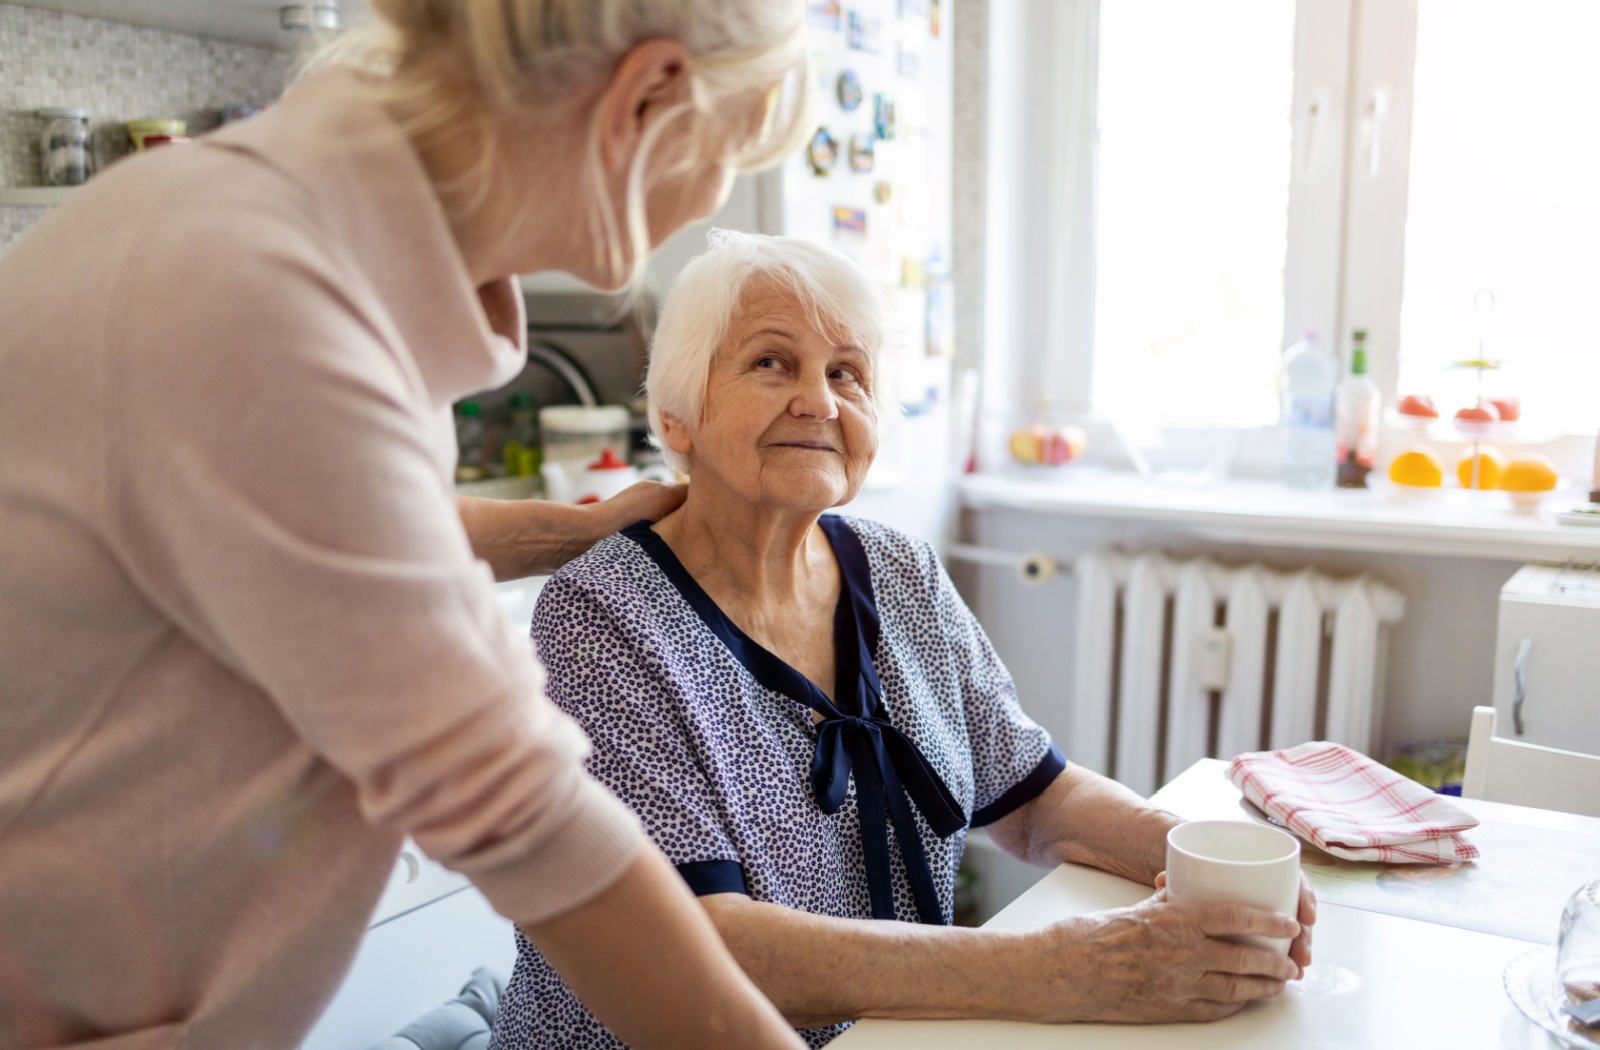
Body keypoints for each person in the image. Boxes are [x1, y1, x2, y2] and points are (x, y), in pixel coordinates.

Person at [0, 3, 819, 1048]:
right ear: (646, 101)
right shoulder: (262, 297)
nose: (711, 197)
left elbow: (362, 524)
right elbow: (519, 812)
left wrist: (579, 529)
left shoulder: (309, 247)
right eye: (730, 154)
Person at [491, 230, 1317, 1048]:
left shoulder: (898, 571)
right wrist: (1057, 969)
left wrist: (1200, 859)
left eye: (847, 373)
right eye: (772, 362)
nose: (820, 401)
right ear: (678, 418)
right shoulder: (602, 619)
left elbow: (1038, 799)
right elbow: (703, 943)